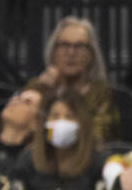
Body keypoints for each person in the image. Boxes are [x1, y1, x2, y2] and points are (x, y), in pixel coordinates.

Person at [24, 17, 118, 146]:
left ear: (91, 54)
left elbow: (99, 138)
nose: (71, 52)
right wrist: (44, 91)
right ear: (53, 51)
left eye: (79, 46)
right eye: (64, 45)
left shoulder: (100, 92)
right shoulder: (38, 87)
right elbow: (20, 130)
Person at [12, 91, 108, 190]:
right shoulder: (28, 161)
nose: (61, 123)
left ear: (82, 124)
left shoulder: (98, 163)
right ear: (45, 122)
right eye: (55, 116)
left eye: (69, 117)